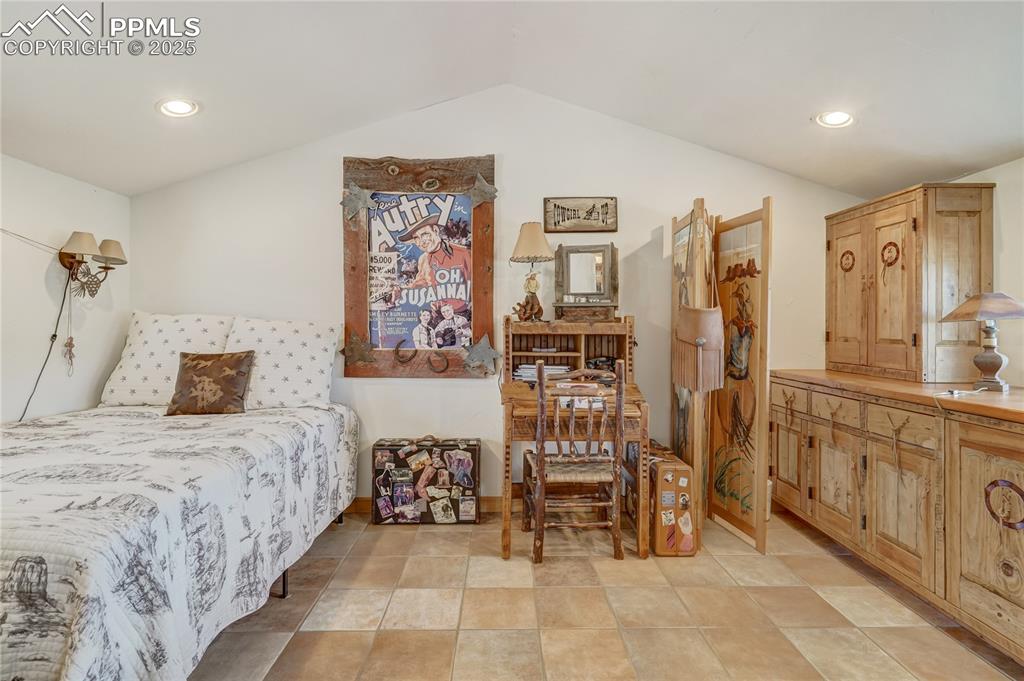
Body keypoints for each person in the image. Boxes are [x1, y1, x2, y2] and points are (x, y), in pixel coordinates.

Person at [398, 213, 471, 290]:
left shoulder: (464, 254)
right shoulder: (423, 259)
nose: (421, 242)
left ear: (435, 231)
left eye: (425, 235)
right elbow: (421, 284)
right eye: (416, 238)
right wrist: (403, 291)